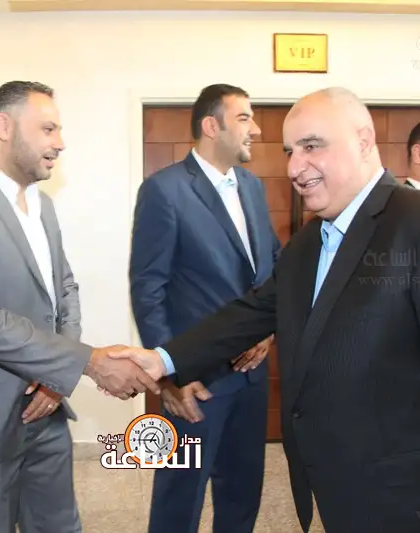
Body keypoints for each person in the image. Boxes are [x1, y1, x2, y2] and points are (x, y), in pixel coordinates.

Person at [113, 87, 420, 533]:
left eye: (312, 146)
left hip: (417, 504)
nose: (294, 167)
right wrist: (163, 360)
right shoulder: (310, 241)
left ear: (364, 140)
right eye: (290, 152)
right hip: (343, 497)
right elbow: (253, 310)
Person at [0, 80, 159, 533]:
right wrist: (87, 362)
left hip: (47, 407)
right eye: (48, 129)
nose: (60, 143)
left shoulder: (42, 205)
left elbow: (64, 289)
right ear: (4, 127)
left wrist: (54, 379)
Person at [129, 83, 278, 533]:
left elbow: (272, 267)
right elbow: (148, 288)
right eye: (245, 118)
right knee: (180, 496)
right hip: (196, 383)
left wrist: (268, 331)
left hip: (252, 378)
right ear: (212, 126)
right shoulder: (164, 190)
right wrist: (171, 374)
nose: (256, 128)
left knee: (242, 493)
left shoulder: (252, 186)